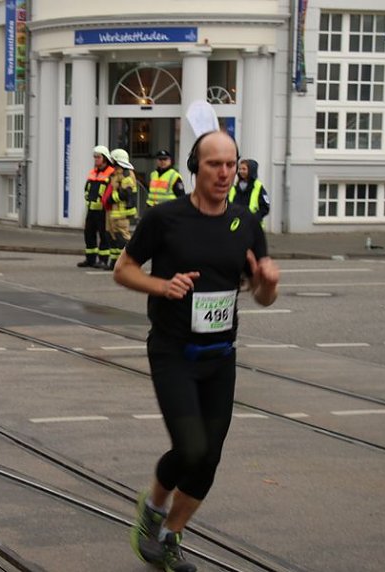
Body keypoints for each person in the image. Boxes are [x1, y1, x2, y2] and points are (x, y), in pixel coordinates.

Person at [114, 130, 279, 572]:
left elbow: (262, 297)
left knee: (209, 459)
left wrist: (269, 282)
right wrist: (162, 286)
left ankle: (169, 537)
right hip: (172, 351)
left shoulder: (246, 223)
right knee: (189, 449)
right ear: (195, 167)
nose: (224, 173)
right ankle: (153, 507)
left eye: (231, 164)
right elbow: (124, 271)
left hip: (220, 355)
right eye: (214, 164)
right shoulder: (165, 219)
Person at [76, 145, 115, 269]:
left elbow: (111, 191)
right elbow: (87, 188)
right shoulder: (93, 172)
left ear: (105, 158)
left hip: (103, 210)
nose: (96, 159)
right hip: (92, 209)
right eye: (95, 157)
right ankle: (90, 259)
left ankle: (103, 260)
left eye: (98, 157)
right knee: (89, 234)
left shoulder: (111, 173)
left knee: (104, 236)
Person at [103, 148, 138, 271]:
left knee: (123, 238)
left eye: (113, 160)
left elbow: (125, 193)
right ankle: (114, 261)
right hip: (113, 212)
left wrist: (111, 199)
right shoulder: (116, 173)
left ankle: (128, 263)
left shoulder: (127, 174)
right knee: (112, 237)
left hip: (121, 212)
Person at [229, 159, 270, 226]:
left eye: (244, 169)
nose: (241, 171)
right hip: (235, 227)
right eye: (240, 169)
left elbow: (265, 208)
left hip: (252, 227)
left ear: (251, 170)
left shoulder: (258, 187)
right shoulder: (234, 188)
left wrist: (254, 218)